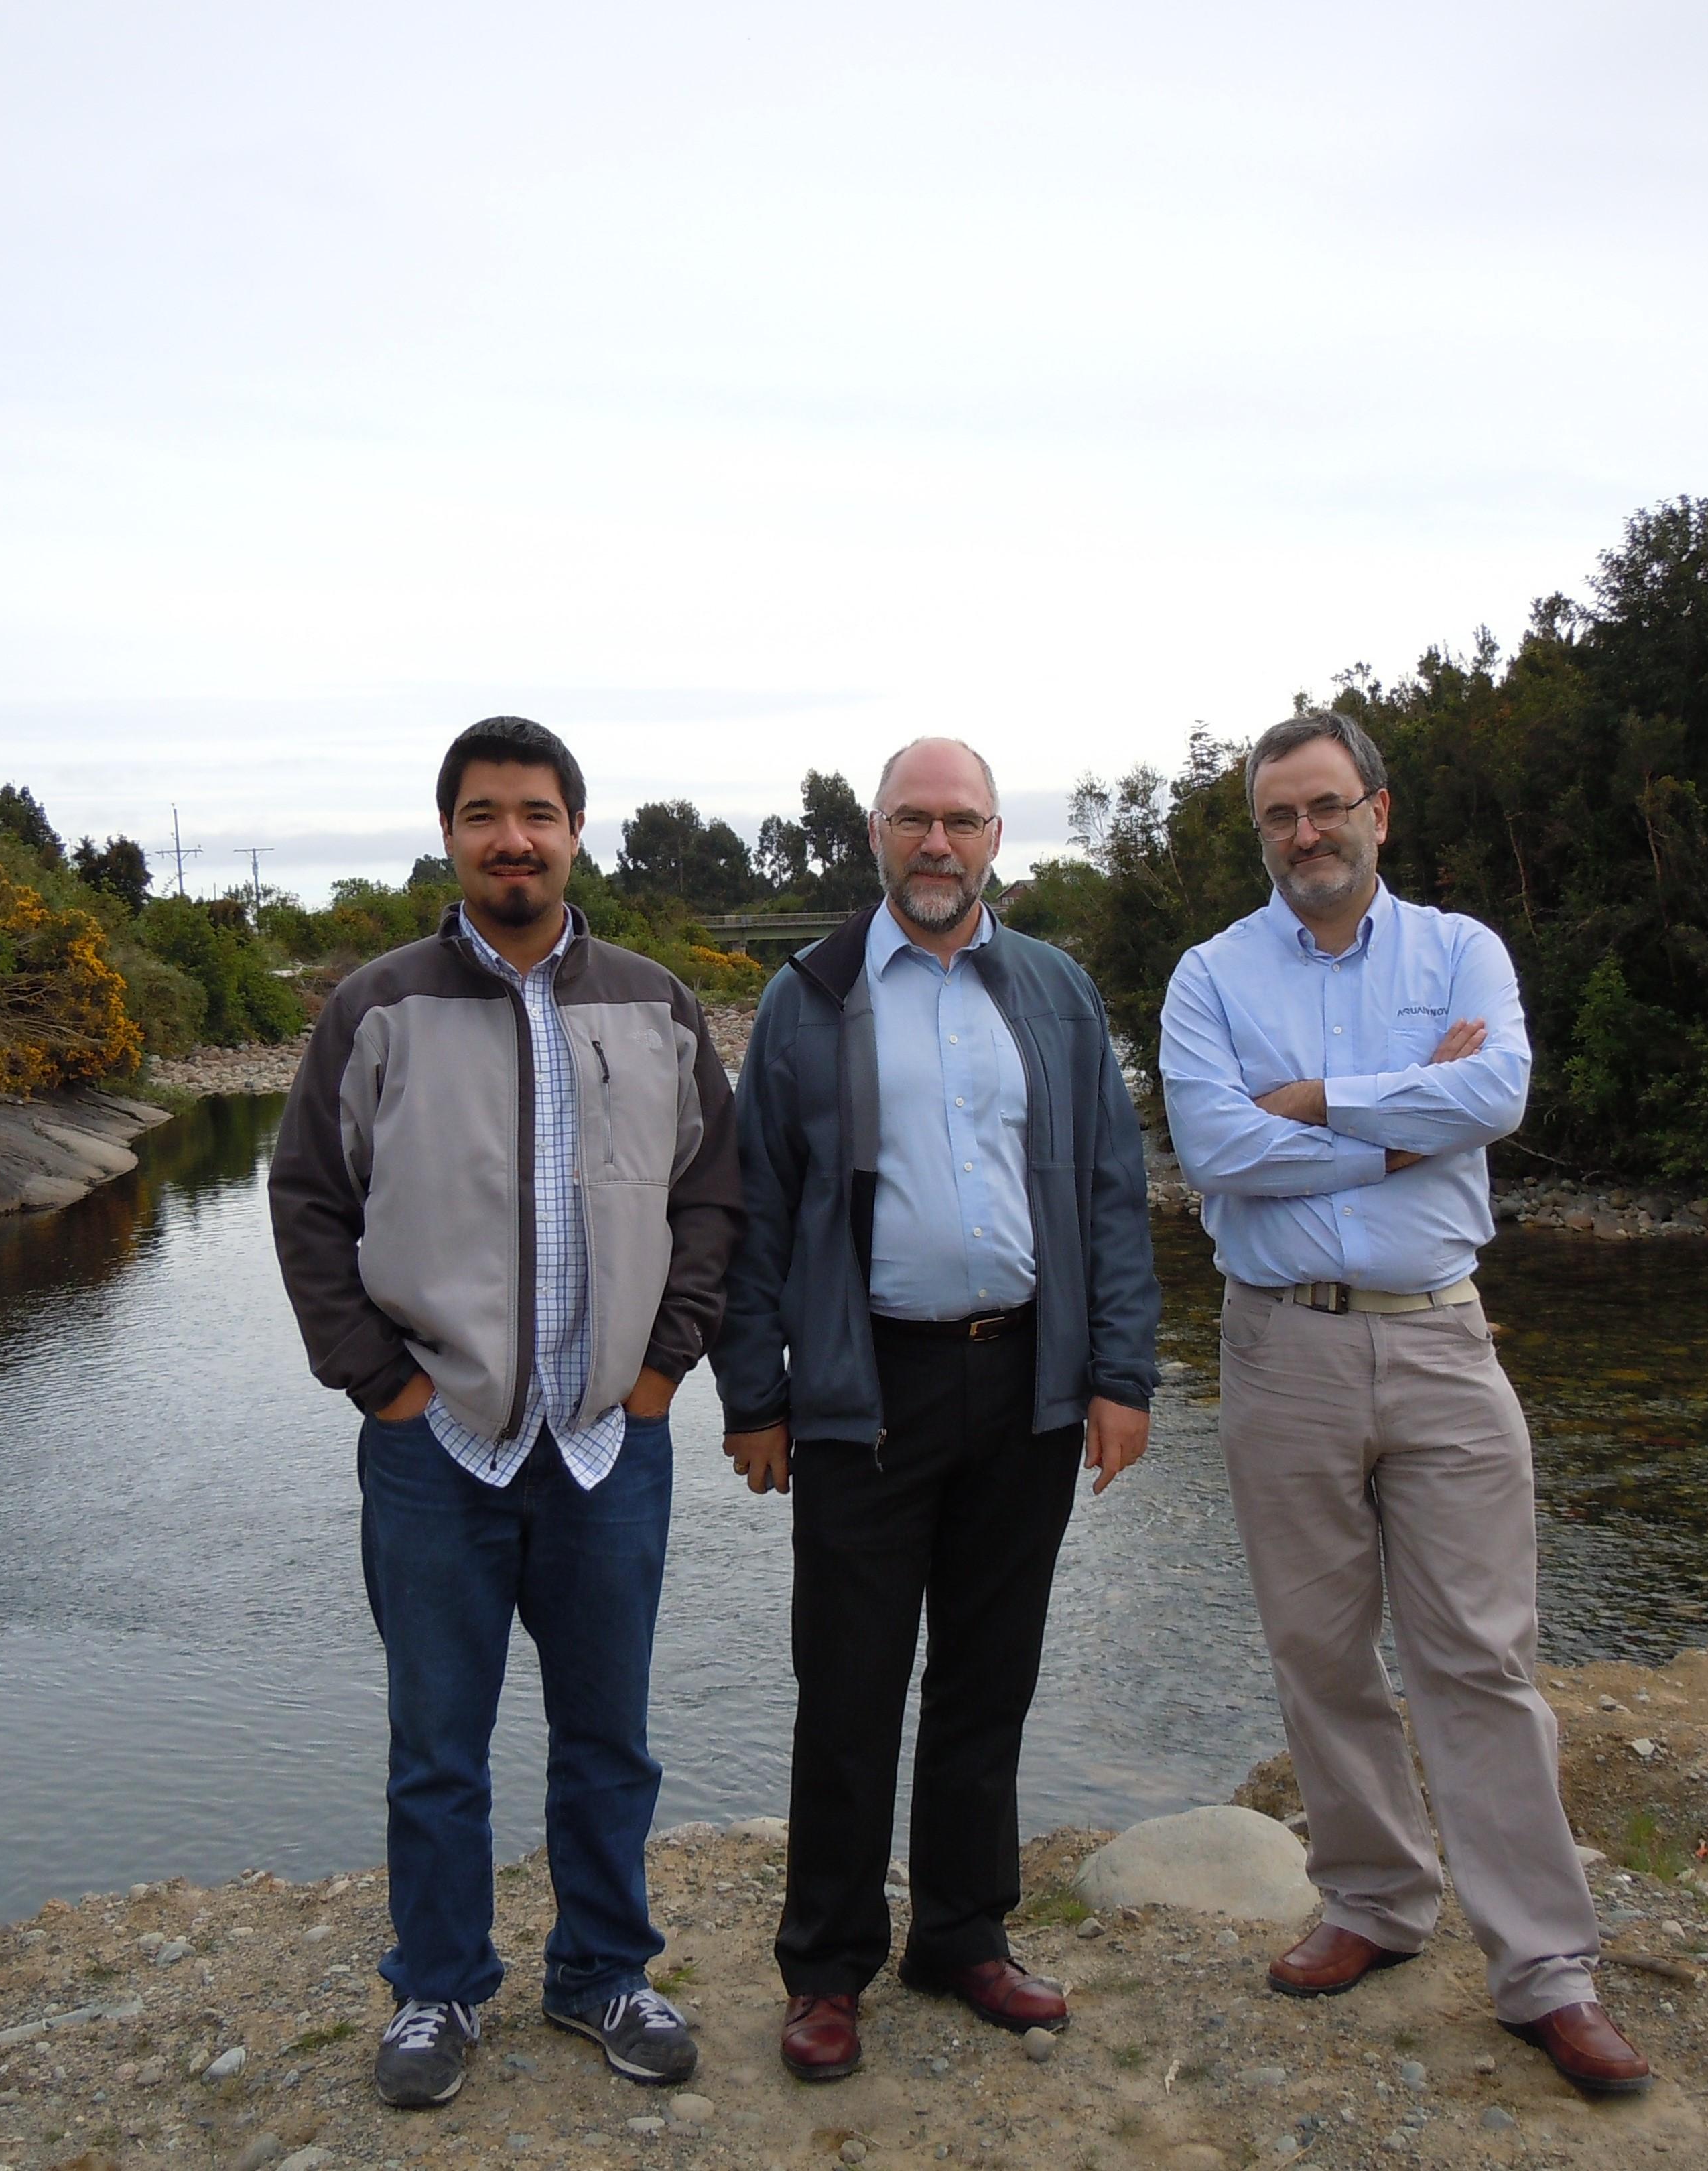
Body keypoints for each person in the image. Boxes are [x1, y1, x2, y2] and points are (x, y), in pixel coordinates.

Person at [1155, 710, 1653, 2098]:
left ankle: (1546, 1969)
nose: (1303, 836)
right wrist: (1402, 1123)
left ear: (1381, 809)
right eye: (1278, 817)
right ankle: (1375, 1901)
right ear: (1260, 831)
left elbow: (1495, 1090)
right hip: (1279, 1348)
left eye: (1325, 807)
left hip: (1441, 1342)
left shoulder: (1462, 952)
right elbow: (1214, 1146)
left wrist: (1316, 1101)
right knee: (1320, 1652)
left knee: (1481, 1661)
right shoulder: (1209, 976)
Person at [267, 716, 742, 2109]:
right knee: (437, 1745)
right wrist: (389, 1388)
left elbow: (712, 1197)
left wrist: (661, 1375)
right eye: (484, 815)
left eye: (536, 813)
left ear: (575, 831)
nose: (512, 838)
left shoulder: (655, 1004)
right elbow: (307, 1203)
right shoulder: (377, 1007)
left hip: (608, 1443)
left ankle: (603, 1971)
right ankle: (437, 1991)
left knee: (610, 1740)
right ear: (452, 837)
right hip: (436, 1449)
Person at [715, 736, 1161, 2083]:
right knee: (847, 1689)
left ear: (995, 839)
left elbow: (1108, 1194)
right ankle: (828, 1966)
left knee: (987, 1678)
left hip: (1025, 1382)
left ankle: (964, 1935)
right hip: (866, 1393)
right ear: (873, 835)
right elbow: (755, 1217)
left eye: (960, 821)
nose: (937, 845)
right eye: (914, 820)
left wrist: (1121, 1376)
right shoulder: (808, 998)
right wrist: (755, 1393)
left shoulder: (1058, 994)